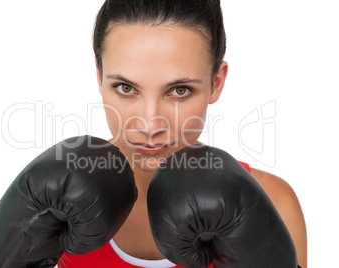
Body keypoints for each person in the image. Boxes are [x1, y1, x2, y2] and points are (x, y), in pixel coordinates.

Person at [57, 0, 307, 267]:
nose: (150, 126)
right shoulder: (60, 196)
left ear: (216, 83)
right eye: (125, 88)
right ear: (99, 76)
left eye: (180, 90)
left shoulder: (273, 203)